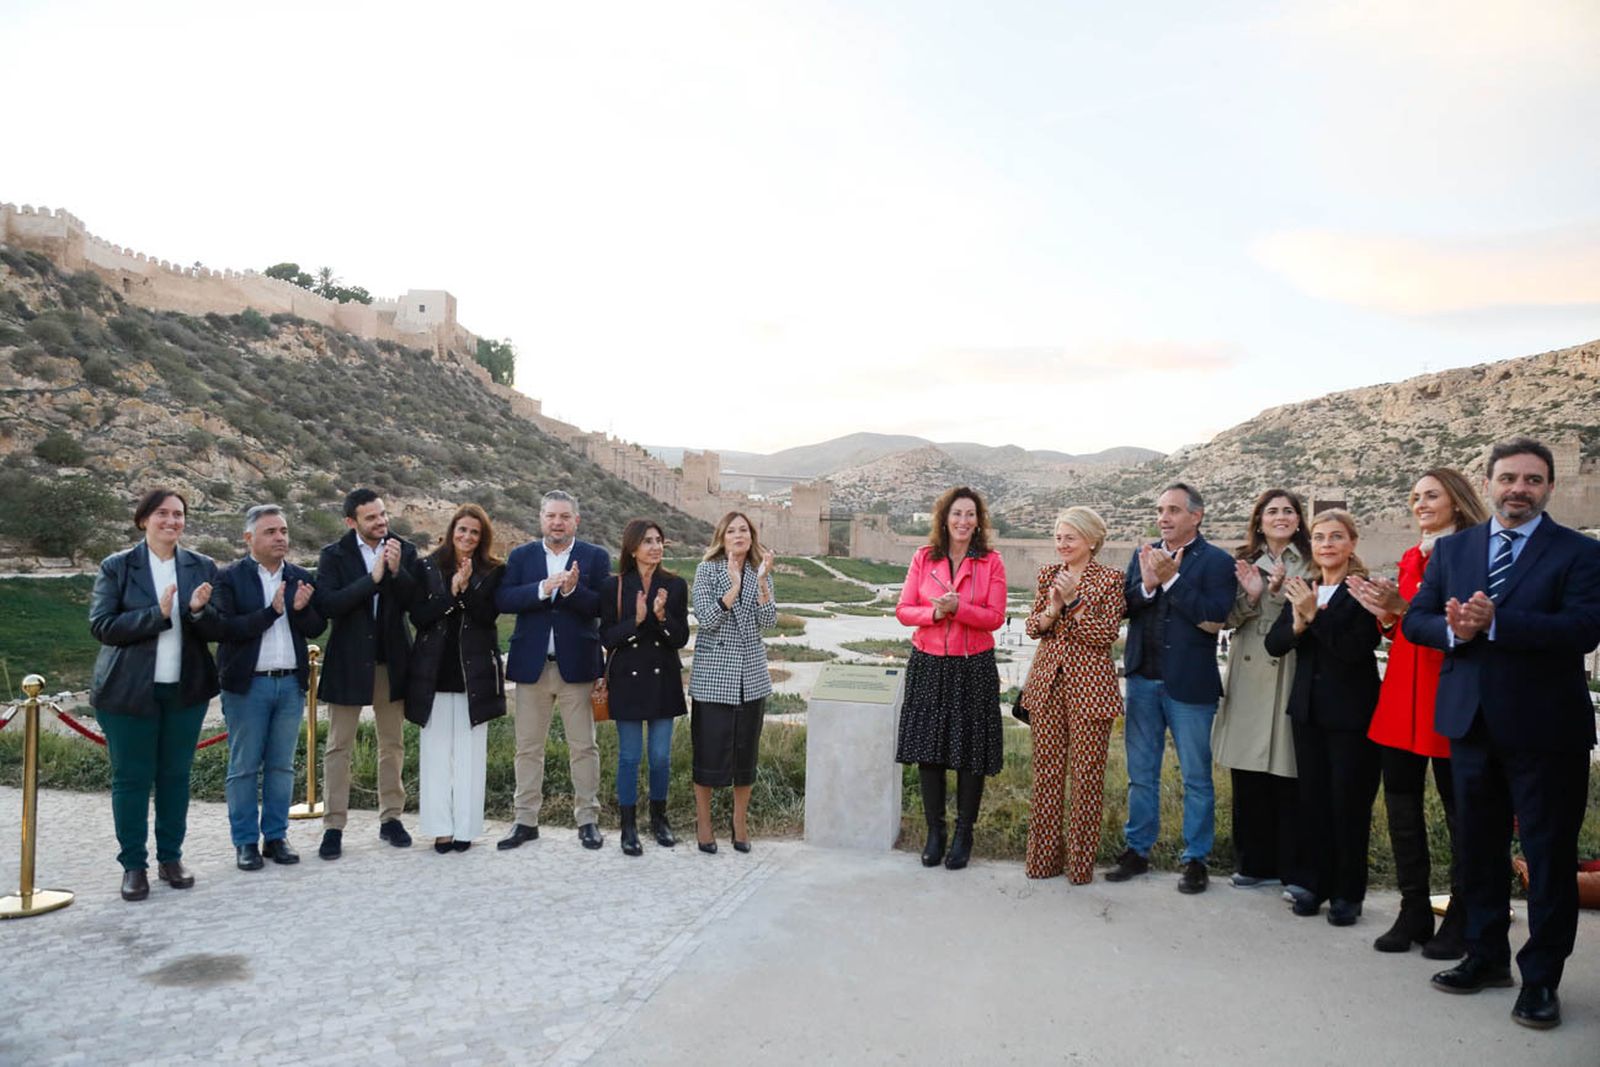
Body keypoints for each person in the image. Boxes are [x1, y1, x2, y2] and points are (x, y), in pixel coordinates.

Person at [1404, 438, 1600, 1030]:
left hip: (1547, 732)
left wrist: (1497, 624)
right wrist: (1455, 632)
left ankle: (1541, 979)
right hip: (1471, 725)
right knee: (1479, 851)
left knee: (1547, 856)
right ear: (1488, 483)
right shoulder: (1454, 549)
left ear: (1549, 488)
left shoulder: (1580, 553)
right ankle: (1486, 957)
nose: (1519, 488)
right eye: (1508, 477)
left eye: (1532, 480)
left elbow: (1584, 629)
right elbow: (1416, 620)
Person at [1348, 468, 1487, 956]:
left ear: (1457, 500)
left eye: (1431, 495)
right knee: (1401, 805)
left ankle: (1463, 914)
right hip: (1402, 694)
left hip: (1448, 693)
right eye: (1415, 497)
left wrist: (1402, 607)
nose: (1420, 504)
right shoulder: (1411, 556)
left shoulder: (1476, 554)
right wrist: (1387, 616)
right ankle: (1413, 911)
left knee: (1460, 811)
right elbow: (1406, 627)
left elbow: (1457, 625)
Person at [87, 488, 221, 901]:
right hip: (127, 693)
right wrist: (157, 615)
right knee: (131, 779)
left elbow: (216, 628)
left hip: (185, 691)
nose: (171, 521)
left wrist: (197, 612)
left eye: (178, 514)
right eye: (162, 513)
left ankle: (170, 859)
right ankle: (133, 865)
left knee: (175, 777)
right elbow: (102, 626)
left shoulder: (202, 566)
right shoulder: (117, 567)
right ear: (144, 519)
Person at [1106, 483, 1237, 893]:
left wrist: (1172, 581)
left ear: (1196, 516)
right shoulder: (1142, 555)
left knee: (1196, 777)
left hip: (1190, 686)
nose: (1164, 517)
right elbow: (1124, 607)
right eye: (1161, 509)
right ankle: (1137, 850)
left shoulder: (1217, 562)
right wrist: (1147, 585)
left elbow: (1214, 618)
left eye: (1174, 510)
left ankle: (1196, 858)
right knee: (1141, 774)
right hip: (1142, 679)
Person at [1264, 509, 1382, 927]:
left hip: (1351, 714)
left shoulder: (1363, 591)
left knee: (1348, 805)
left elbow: (1354, 649)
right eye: (1319, 537)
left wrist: (1315, 616)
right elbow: (1274, 644)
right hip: (1308, 711)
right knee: (1312, 802)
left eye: (1336, 536)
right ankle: (1314, 883)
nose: (1326, 544)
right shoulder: (1304, 587)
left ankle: (1348, 893)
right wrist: (1298, 623)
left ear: (1352, 543)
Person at [895, 486, 1008, 871]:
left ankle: (964, 833)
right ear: (944, 518)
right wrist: (935, 615)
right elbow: (904, 610)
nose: (963, 521)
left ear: (979, 521)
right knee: (930, 752)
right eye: (957, 513)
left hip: (973, 665)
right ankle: (935, 832)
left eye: (970, 514)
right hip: (928, 663)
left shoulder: (991, 562)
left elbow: (995, 617)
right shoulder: (923, 557)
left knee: (970, 753)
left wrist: (960, 609)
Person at [495, 490, 611, 851]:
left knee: (584, 747)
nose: (557, 523)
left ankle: (587, 820)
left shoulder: (595, 556)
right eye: (551, 516)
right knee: (527, 748)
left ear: (576, 520)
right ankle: (525, 821)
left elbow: (602, 606)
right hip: (532, 667)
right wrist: (543, 589)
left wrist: (573, 592)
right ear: (541, 518)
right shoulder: (522, 556)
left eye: (564, 516)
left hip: (577, 667)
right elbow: (504, 599)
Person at [212, 504, 325, 871]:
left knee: (281, 766)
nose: (280, 538)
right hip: (248, 686)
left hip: (289, 684)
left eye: (284, 531)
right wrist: (271, 613)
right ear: (249, 538)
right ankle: (245, 841)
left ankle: (276, 837)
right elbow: (225, 629)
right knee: (244, 767)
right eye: (271, 532)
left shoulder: (298, 576)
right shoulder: (229, 578)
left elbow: (315, 628)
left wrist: (301, 610)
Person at [1212, 489, 1312, 891]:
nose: (1281, 516)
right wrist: (1253, 596)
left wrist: (1286, 595)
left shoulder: (1312, 560)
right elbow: (1226, 619)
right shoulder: (1243, 562)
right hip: (1250, 666)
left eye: (1289, 510)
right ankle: (1253, 862)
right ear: (1259, 520)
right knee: (1248, 769)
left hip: (1292, 663)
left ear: (1299, 520)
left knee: (1289, 769)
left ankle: (1292, 866)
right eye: (1272, 511)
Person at [313, 487, 419, 859]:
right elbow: (329, 604)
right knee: (338, 746)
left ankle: (391, 818)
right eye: (371, 517)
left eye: (383, 514)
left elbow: (415, 602)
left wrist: (397, 572)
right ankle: (333, 826)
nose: (381, 521)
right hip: (347, 663)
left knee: (392, 744)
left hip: (392, 662)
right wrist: (371, 580)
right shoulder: (333, 555)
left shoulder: (404, 550)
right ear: (351, 521)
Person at [1020, 506, 1124, 884]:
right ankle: (1043, 862)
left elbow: (1105, 635)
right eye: (1058, 537)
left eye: (1070, 538)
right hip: (1047, 685)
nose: (1062, 544)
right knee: (1046, 775)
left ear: (1092, 541)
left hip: (1091, 690)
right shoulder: (1047, 574)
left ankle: (1080, 867)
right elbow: (1033, 627)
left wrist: (1075, 602)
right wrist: (1054, 607)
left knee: (1086, 778)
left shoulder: (1111, 580)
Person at [405, 504, 506, 854]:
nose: (467, 536)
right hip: (433, 672)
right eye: (462, 529)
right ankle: (440, 830)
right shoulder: (427, 567)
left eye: (474, 532)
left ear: (482, 537)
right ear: (451, 531)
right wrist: (450, 593)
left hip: (474, 675)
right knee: (435, 756)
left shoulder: (494, 571)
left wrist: (466, 590)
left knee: (470, 757)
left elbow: (488, 616)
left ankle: (465, 829)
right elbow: (420, 617)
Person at [600, 519, 690, 856]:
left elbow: (680, 639)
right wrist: (636, 621)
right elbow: (607, 637)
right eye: (648, 541)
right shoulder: (614, 586)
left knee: (660, 757)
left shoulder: (675, 585)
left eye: (659, 540)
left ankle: (659, 819)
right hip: (627, 680)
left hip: (663, 679)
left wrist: (662, 617)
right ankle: (628, 826)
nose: (656, 546)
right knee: (629, 756)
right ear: (633, 547)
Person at [688, 511, 777, 853]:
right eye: (731, 531)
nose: (739, 535)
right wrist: (734, 587)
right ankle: (704, 822)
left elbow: (768, 620)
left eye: (744, 530)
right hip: (714, 677)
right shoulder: (707, 570)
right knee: (708, 753)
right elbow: (707, 619)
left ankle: (739, 822)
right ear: (721, 538)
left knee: (745, 754)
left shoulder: (760, 571)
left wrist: (762, 582)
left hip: (750, 677)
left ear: (752, 537)